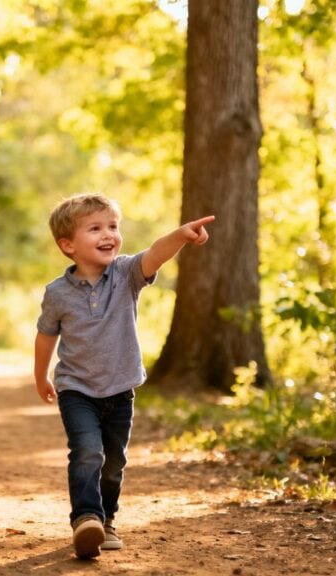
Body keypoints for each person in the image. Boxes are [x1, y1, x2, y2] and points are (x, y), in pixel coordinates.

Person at [33, 193, 214, 559]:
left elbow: (156, 252)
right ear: (67, 245)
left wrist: (180, 234)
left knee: (113, 462)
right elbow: (46, 336)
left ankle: (107, 520)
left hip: (120, 389)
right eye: (95, 228)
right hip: (76, 389)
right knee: (87, 452)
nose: (108, 235)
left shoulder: (127, 273)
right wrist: (40, 376)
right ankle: (86, 518)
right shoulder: (57, 293)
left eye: (113, 227)